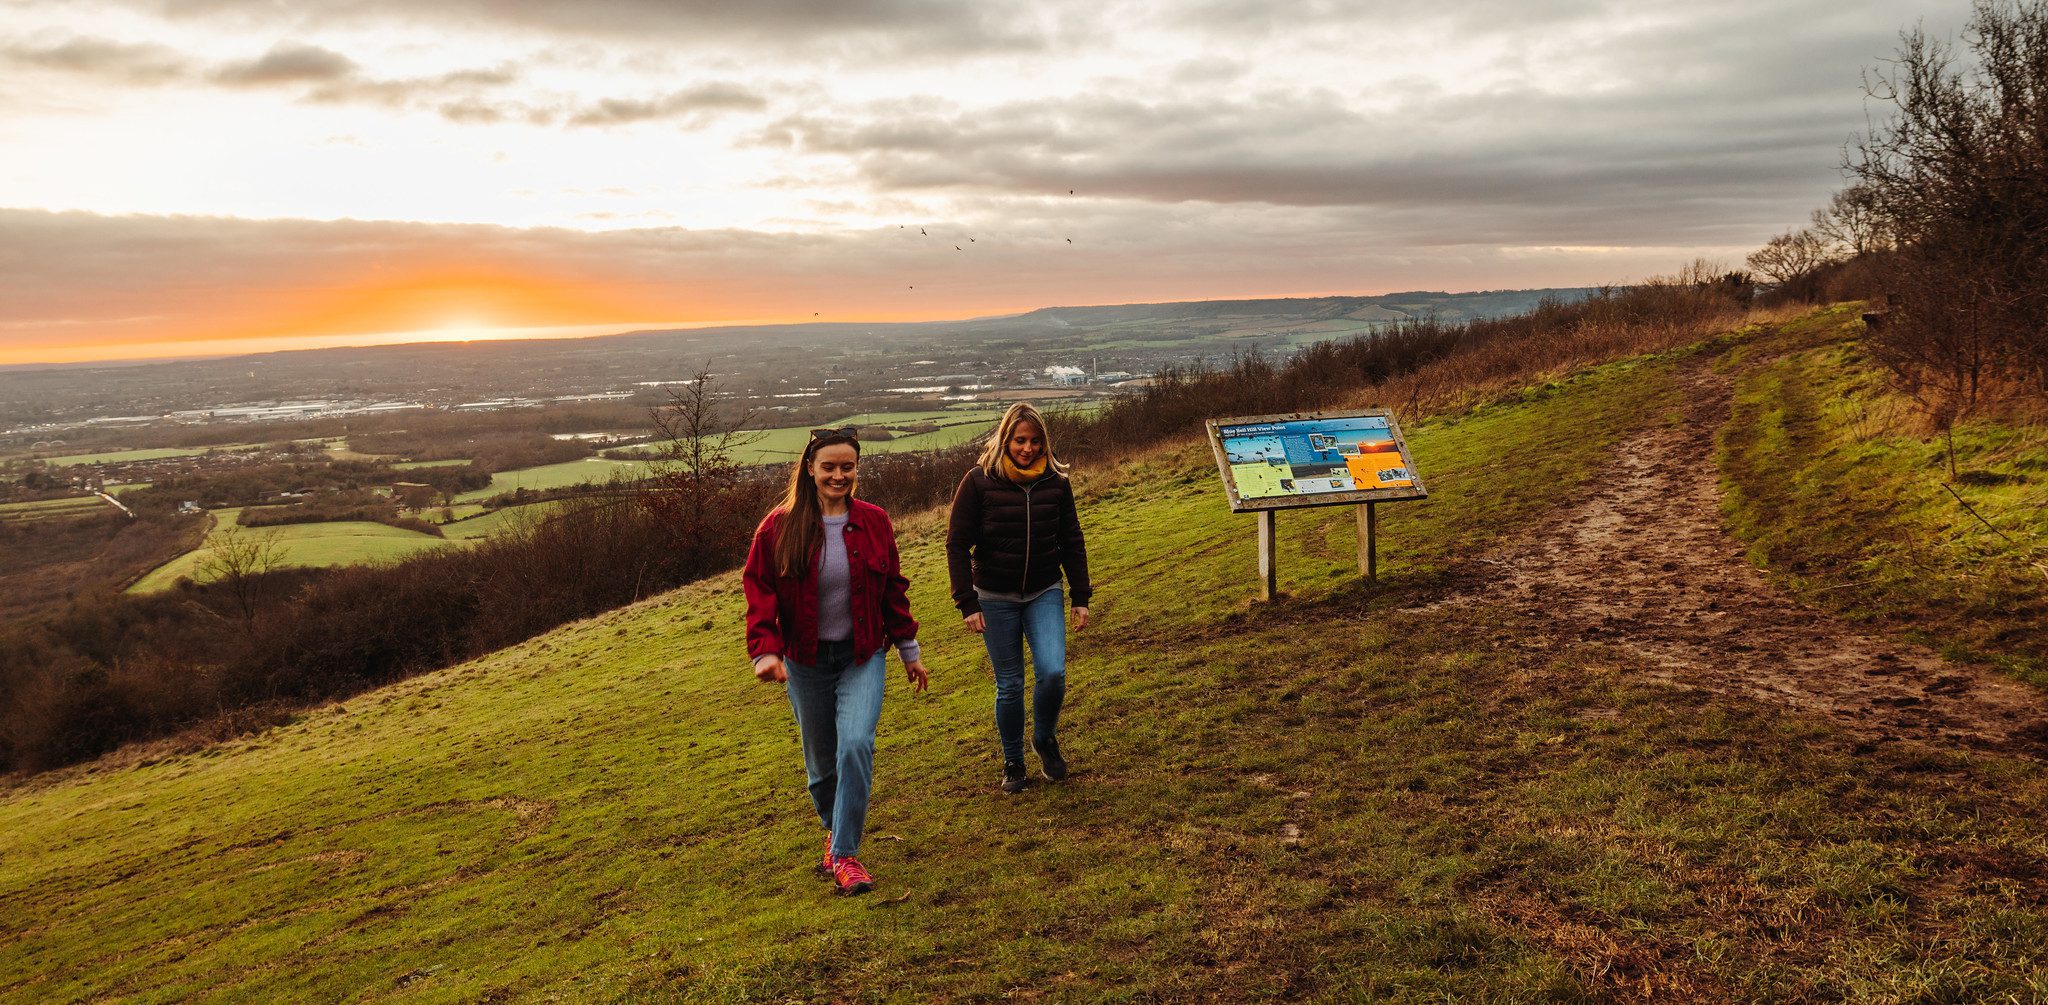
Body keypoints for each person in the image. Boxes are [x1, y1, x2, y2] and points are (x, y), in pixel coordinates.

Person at [744, 426, 929, 896]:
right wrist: (765, 650)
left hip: (862, 655)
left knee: (855, 746)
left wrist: (909, 651)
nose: (838, 475)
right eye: (829, 466)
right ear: (810, 468)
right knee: (822, 766)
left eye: (848, 466)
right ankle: (835, 831)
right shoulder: (778, 527)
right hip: (804, 661)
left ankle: (845, 854)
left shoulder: (875, 522)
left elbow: (893, 589)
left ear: (857, 470)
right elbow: (760, 591)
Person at [946, 403, 1092, 793]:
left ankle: (1044, 738)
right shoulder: (979, 481)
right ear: (1005, 439)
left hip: (1044, 590)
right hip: (993, 596)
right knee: (1009, 684)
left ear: (1045, 441)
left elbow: (1071, 539)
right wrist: (967, 602)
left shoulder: (1056, 481)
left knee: (1053, 672)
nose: (1027, 448)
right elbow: (957, 543)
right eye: (1020, 440)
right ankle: (1013, 761)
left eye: (1035, 440)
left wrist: (1081, 595)